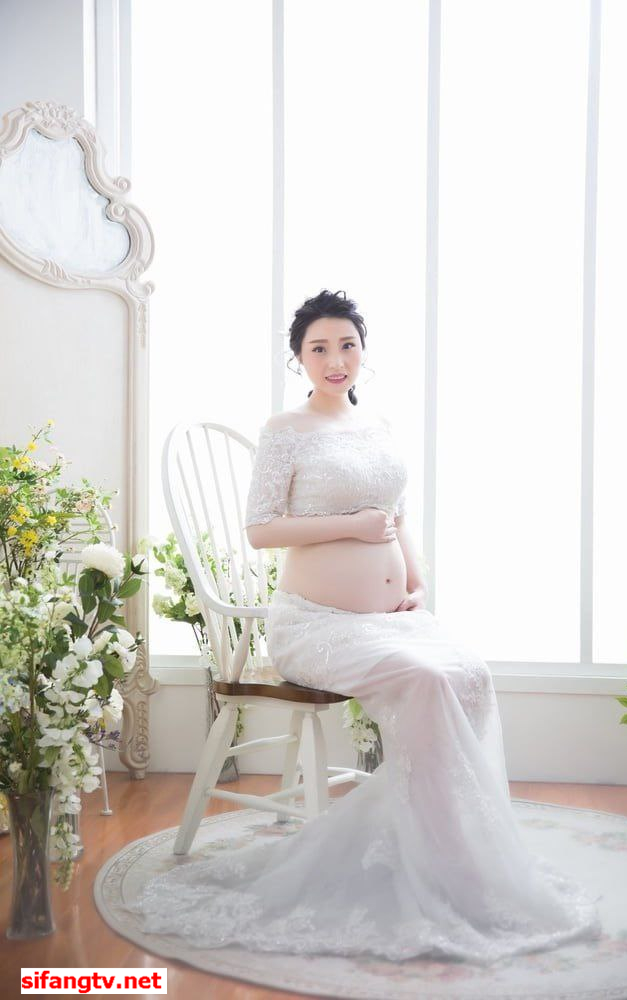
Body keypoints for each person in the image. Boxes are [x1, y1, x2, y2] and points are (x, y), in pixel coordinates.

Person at [129, 289, 603, 965]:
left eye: (347, 344)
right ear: (298, 358)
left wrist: (416, 582)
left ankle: (451, 852)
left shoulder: (377, 425)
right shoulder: (285, 430)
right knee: (428, 679)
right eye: (319, 347)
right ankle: (434, 855)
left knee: (469, 672)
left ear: (363, 352)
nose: (335, 359)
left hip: (388, 620)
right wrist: (350, 525)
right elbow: (261, 530)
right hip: (313, 624)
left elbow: (397, 516)